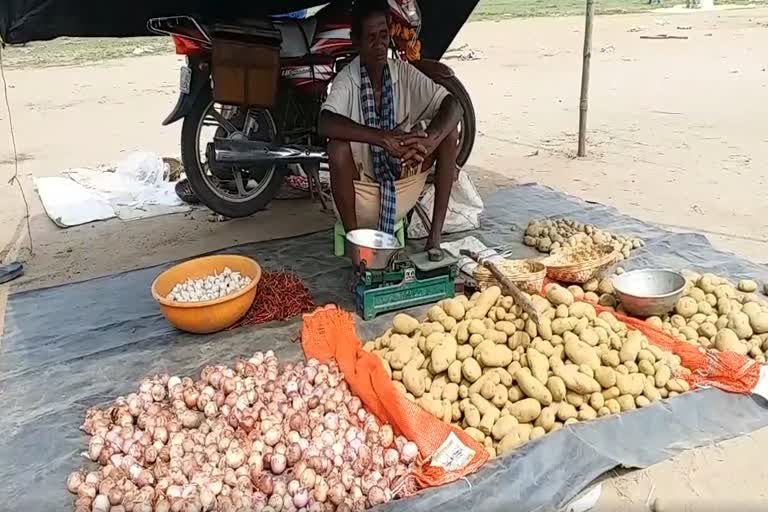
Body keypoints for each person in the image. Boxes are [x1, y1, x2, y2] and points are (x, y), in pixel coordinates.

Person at [318, 0, 462, 251]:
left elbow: (454, 105)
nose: (379, 45)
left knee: (448, 134)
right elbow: (325, 123)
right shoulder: (347, 80)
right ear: (357, 42)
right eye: (371, 38)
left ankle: (435, 240)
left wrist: (429, 140)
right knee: (337, 148)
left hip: (401, 187)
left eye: (384, 36)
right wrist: (382, 138)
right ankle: (356, 246)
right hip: (360, 193)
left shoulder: (403, 73)